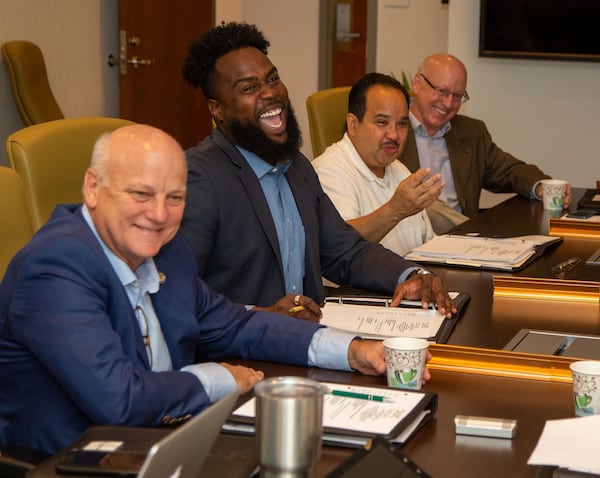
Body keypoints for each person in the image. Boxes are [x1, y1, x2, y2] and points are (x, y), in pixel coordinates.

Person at [0, 124, 398, 455]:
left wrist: (351, 349)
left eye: (175, 198)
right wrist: (218, 378)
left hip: (168, 440)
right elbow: (118, 401)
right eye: (141, 194)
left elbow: (237, 325)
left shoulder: (167, 252)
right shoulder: (53, 269)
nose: (159, 215)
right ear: (92, 188)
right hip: (76, 459)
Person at [180, 22, 456, 323]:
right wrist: (260, 316)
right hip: (242, 354)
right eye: (249, 88)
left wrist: (412, 275)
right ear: (217, 110)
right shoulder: (199, 177)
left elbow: (344, 252)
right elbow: (180, 294)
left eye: (273, 79)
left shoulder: (296, 167)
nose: (270, 93)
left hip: (309, 338)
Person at [400, 53, 572, 234]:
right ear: (417, 84)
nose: (448, 103)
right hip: (409, 241)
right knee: (428, 208)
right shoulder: (392, 131)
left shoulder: (471, 133)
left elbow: (509, 170)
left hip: (460, 249)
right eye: (442, 91)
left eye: (458, 96)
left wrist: (541, 187)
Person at [312, 72, 442, 257]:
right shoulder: (328, 171)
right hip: (358, 286)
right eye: (382, 122)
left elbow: (427, 244)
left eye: (402, 124)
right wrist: (396, 210)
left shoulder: (398, 169)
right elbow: (337, 245)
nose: (394, 135)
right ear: (353, 125)